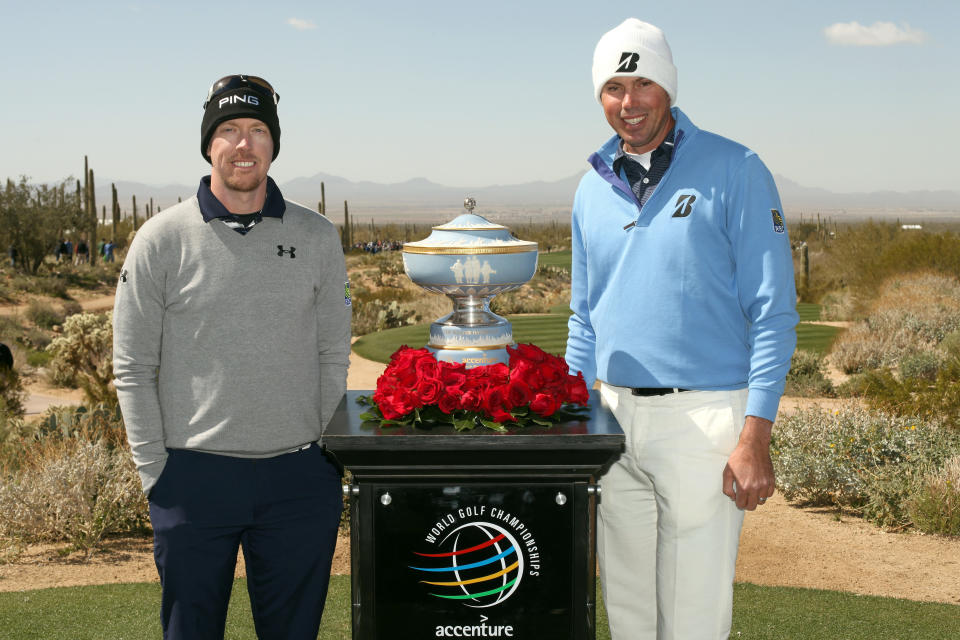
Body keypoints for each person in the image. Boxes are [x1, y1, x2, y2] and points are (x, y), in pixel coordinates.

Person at [564, 19, 798, 640]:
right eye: (614, 86)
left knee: (692, 618)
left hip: (704, 421)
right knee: (631, 613)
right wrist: (576, 424)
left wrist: (755, 435)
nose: (629, 100)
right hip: (612, 419)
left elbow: (774, 312)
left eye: (642, 82)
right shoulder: (591, 188)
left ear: (667, 88)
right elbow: (583, 319)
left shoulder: (736, 168)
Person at [113, 74, 352, 640]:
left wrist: (321, 453)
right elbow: (133, 366)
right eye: (228, 130)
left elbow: (331, 352)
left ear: (273, 143)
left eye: (257, 130)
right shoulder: (160, 239)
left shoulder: (317, 236)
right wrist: (156, 473)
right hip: (193, 477)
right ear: (209, 144)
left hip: (297, 476)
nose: (243, 144)